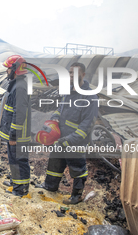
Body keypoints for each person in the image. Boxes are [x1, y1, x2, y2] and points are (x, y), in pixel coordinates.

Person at [36, 62, 98, 205]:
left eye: (74, 73)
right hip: (60, 137)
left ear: (82, 75)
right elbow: (60, 109)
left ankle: (76, 196)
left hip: (75, 141)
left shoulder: (90, 98)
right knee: (55, 163)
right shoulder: (68, 91)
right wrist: (54, 117)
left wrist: (70, 139)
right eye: (70, 72)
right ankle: (50, 186)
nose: (71, 75)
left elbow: (87, 125)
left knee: (77, 168)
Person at [0, 55, 31, 197]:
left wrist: (13, 135)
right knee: (14, 160)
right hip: (17, 133)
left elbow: (19, 113)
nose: (7, 72)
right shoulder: (17, 84)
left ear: (16, 69)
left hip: (19, 134)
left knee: (19, 161)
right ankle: (16, 183)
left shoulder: (21, 87)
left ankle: (20, 189)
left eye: (8, 68)